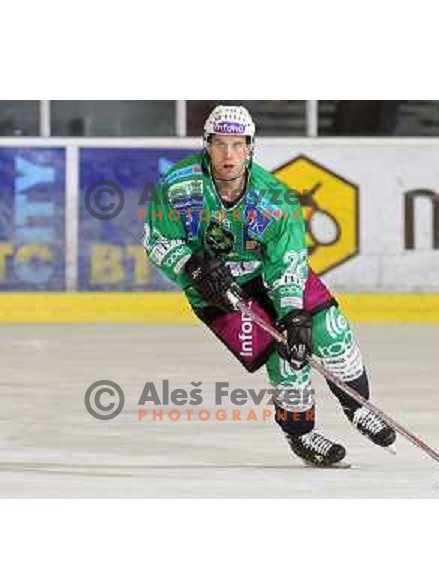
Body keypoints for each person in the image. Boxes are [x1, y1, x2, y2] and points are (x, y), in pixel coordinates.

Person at [143, 105, 396, 467]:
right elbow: (156, 240)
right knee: (284, 358)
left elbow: (287, 259)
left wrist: (292, 311)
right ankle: (301, 435)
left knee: (329, 331)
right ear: (206, 145)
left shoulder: (275, 198)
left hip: (268, 275)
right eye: (219, 144)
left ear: (250, 148)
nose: (228, 154)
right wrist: (192, 264)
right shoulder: (178, 185)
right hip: (215, 290)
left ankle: (358, 407)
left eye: (237, 144)